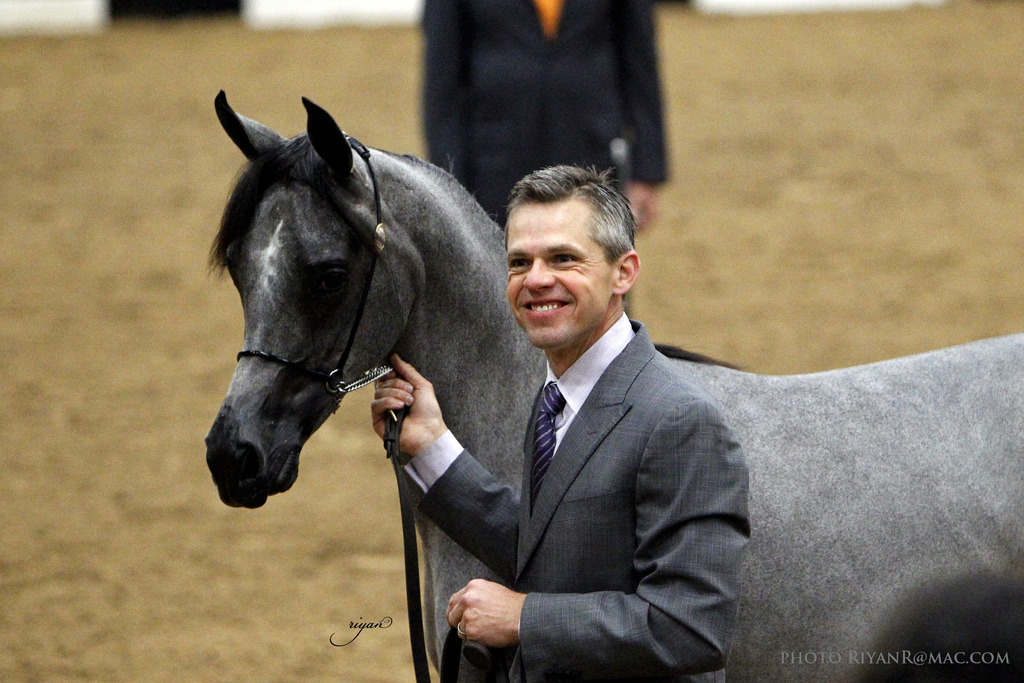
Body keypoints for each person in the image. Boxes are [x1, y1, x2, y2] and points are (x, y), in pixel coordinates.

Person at [372, 166, 748, 682]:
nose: (536, 279)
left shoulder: (681, 421)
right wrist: (432, 449)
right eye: (519, 262)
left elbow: (690, 627)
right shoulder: (556, 399)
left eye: (563, 259)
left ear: (625, 272)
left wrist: (523, 618)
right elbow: (553, 552)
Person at [422, 0, 669, 231]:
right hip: (492, 166)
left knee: (591, 267)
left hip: (593, 158)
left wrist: (646, 173)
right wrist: (449, 186)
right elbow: (441, 87)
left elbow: (640, 63)